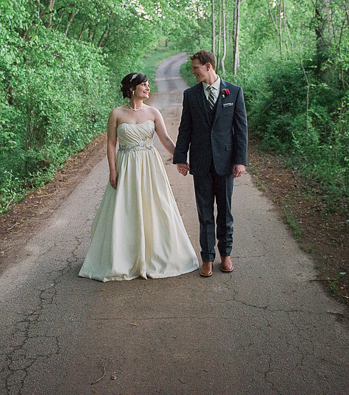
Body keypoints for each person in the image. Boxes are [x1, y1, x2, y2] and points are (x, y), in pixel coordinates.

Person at [79, 73, 199, 281]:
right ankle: (124, 257)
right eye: (143, 85)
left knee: (154, 206)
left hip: (150, 166)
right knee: (126, 208)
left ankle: (155, 254)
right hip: (125, 165)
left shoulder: (153, 112)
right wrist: (112, 170)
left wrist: (180, 159)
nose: (147, 88)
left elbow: (166, 139)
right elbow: (110, 144)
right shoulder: (116, 114)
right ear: (132, 89)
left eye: (148, 85)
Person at [173, 50, 248, 277]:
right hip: (201, 162)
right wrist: (180, 158)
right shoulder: (191, 95)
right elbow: (185, 128)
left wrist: (240, 161)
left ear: (208, 66)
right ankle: (207, 257)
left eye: (196, 68)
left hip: (226, 162)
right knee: (204, 212)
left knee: (225, 211)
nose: (193, 72)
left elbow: (241, 129)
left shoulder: (234, 92)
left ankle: (226, 255)